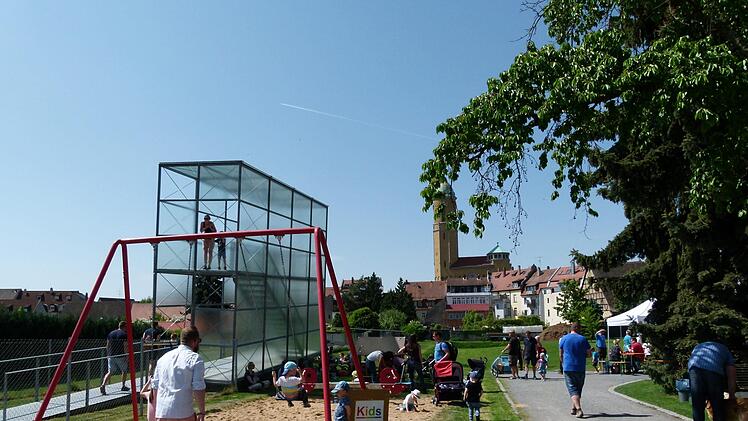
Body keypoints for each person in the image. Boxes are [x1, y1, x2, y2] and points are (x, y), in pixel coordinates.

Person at [152, 326, 206, 421]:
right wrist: (201, 411)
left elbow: (155, 386)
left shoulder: (163, 358)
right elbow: (198, 387)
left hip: (162, 412)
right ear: (195, 341)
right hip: (183, 411)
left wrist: (155, 412)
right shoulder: (195, 358)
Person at [688, 341, 736, 421]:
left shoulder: (698, 346)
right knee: (717, 406)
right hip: (713, 370)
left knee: (697, 406)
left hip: (694, 368)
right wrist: (732, 395)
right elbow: (731, 375)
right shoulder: (726, 351)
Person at [559, 322, 591, 418]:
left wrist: (563, 364)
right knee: (578, 388)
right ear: (578, 328)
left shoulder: (564, 339)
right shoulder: (583, 339)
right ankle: (576, 408)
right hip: (580, 366)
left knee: (573, 388)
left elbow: (560, 354)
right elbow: (589, 354)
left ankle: (577, 408)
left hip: (568, 366)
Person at [100, 321, 129, 395]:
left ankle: (103, 384)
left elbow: (107, 345)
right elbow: (125, 346)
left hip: (111, 355)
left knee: (110, 372)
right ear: (124, 326)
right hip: (121, 355)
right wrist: (127, 355)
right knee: (124, 370)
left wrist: (107, 354)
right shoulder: (124, 334)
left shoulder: (111, 333)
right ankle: (123, 386)